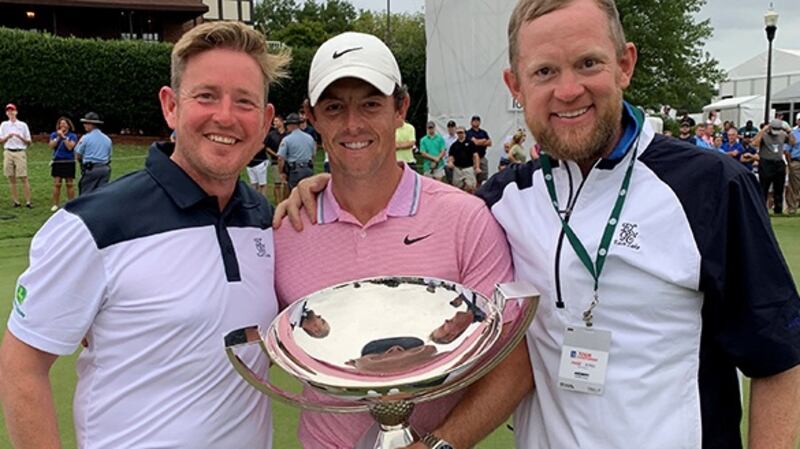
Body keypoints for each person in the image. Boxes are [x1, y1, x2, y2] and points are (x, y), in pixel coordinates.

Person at [407, 0, 800, 448]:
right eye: (544, 72)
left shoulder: (710, 186)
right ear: (515, 85)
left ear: (624, 65)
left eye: (588, 63)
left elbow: (778, 361)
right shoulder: (502, 200)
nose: (568, 90)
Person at [0, 21, 289, 449]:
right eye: (206, 96)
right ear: (171, 106)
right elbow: (22, 364)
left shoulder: (265, 219)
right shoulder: (93, 225)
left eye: (244, 101)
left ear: (265, 121)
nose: (226, 116)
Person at [272, 30, 514, 449]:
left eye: (371, 104)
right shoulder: (286, 230)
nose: (353, 125)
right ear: (311, 117)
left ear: (400, 108)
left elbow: (511, 363)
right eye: (334, 107)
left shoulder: (466, 219)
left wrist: (435, 446)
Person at [752, 118, 796, 214]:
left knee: (779, 189)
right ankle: (761, 210)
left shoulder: (782, 134)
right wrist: (763, 130)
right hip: (766, 163)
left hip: (778, 163)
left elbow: (793, 143)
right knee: (764, 188)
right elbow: (754, 143)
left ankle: (778, 210)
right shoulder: (764, 135)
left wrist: (789, 132)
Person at [0, 103, 32, 208]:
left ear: (16, 112)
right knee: (11, 177)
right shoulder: (4, 125)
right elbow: (1, 140)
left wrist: (20, 137)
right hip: (8, 152)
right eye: (8, 111)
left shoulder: (23, 125)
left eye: (12, 110)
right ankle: (16, 201)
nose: (10, 112)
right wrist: (7, 137)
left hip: (20, 151)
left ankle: (28, 201)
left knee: (23, 177)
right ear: (6, 113)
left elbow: (29, 142)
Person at [74, 111, 113, 195]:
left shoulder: (85, 138)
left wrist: (81, 162)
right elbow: (109, 156)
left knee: (86, 193)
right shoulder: (107, 139)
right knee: (100, 193)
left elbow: (78, 154)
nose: (84, 125)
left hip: (91, 169)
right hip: (105, 169)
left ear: (91, 124)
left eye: (86, 123)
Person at [277, 112, 316, 189]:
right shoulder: (309, 137)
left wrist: (281, 172)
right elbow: (313, 155)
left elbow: (280, 158)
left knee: (295, 193)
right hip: (308, 169)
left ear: (291, 125)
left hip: (295, 171)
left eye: (287, 125)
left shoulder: (287, 139)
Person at [48, 116, 78, 211]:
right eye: (61, 123)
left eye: (64, 123)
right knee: (57, 183)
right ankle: (55, 204)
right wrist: (58, 137)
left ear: (68, 125)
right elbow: (51, 146)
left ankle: (71, 204)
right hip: (58, 161)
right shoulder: (54, 134)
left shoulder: (72, 136)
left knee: (69, 183)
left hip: (69, 161)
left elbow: (70, 147)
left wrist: (64, 137)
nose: (62, 125)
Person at [265, 114, 288, 202]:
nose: (274, 123)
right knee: (277, 183)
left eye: (276, 121)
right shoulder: (271, 134)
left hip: (287, 162)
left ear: (282, 122)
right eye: (274, 121)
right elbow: (267, 147)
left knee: (286, 184)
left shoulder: (288, 134)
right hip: (275, 162)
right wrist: (276, 155)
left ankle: (285, 201)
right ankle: (278, 203)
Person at [465, 115, 492, 185]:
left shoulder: (483, 132)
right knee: (472, 178)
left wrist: (479, 142)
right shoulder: (468, 133)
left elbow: (490, 143)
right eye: (474, 121)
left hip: (482, 157)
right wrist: (484, 140)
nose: (476, 122)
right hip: (472, 159)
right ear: (471, 122)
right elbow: (475, 142)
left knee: (483, 177)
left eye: (477, 121)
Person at [787, 113, 800, 214]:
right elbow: (787, 150)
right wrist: (789, 163)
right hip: (796, 161)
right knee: (794, 186)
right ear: (797, 121)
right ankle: (792, 208)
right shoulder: (793, 133)